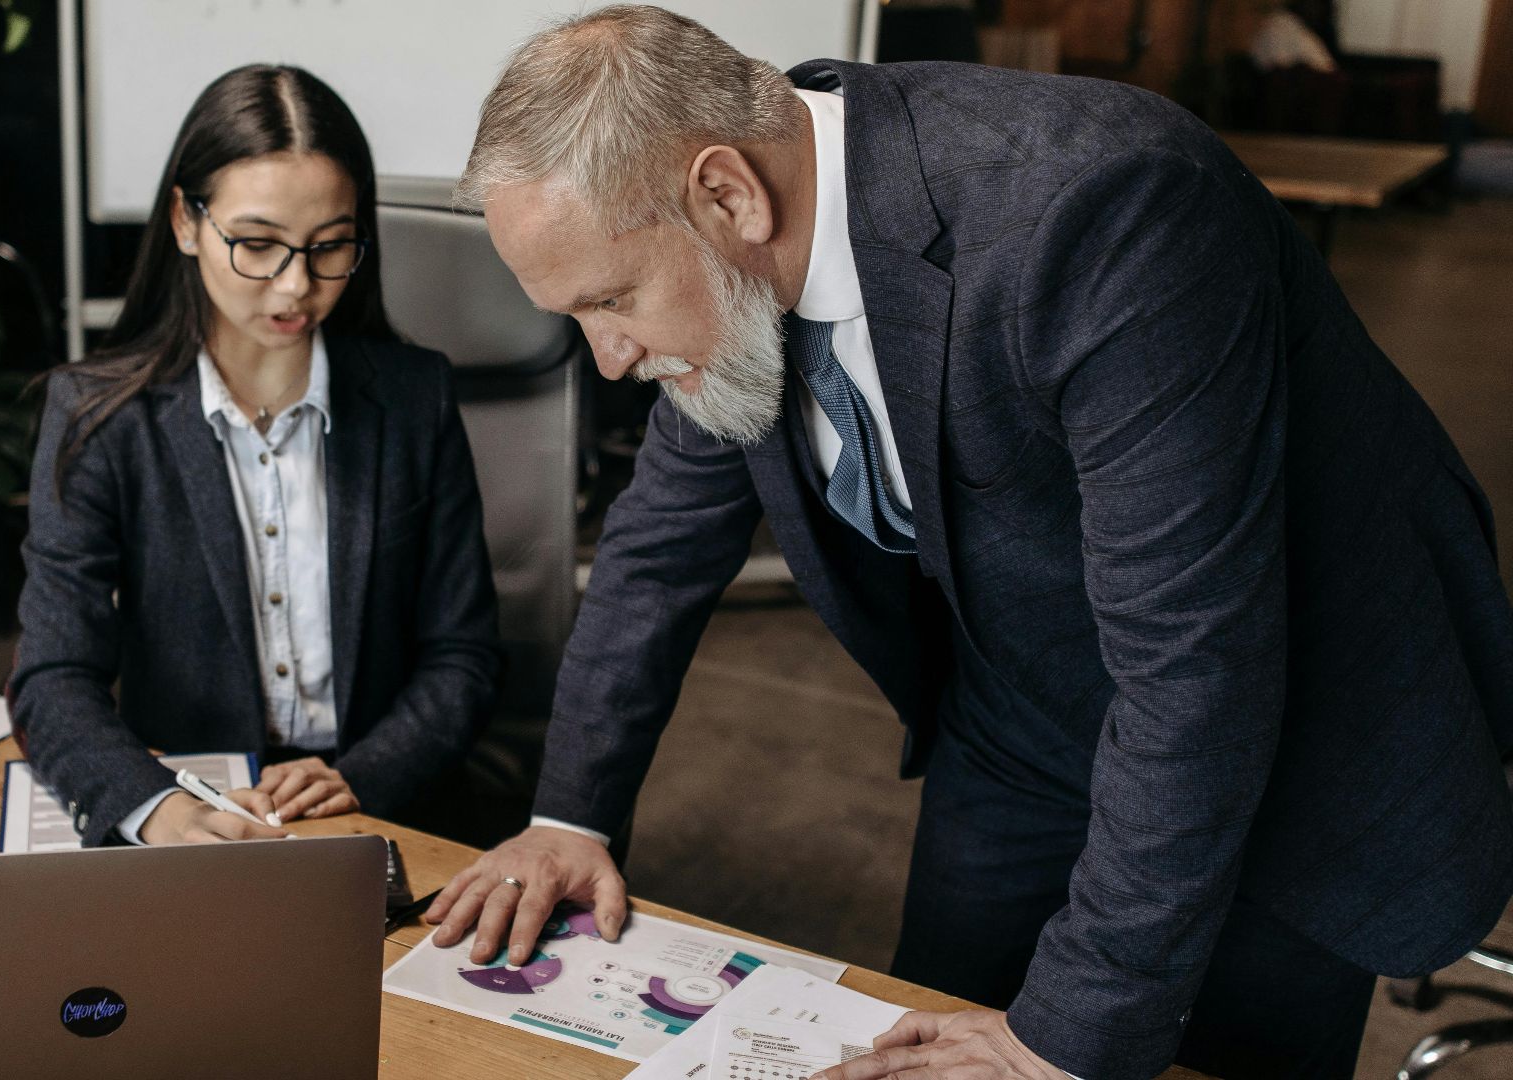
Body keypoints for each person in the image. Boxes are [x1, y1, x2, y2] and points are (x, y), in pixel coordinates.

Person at [424, 8, 1513, 1080]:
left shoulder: (1104, 209)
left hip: (1281, 736)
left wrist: (1065, 1039)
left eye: (611, 301)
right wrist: (568, 819)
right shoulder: (729, 256)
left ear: (728, 194)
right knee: (929, 1035)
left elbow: (1196, 669)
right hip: (1022, 708)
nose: (608, 359)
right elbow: (656, 550)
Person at [10, 65, 501, 849]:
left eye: (329, 246)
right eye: (258, 244)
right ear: (185, 221)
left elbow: (463, 654)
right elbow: (52, 676)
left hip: (376, 800)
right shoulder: (100, 418)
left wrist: (366, 775)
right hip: (191, 795)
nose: (295, 286)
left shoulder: (415, 399)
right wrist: (153, 807)